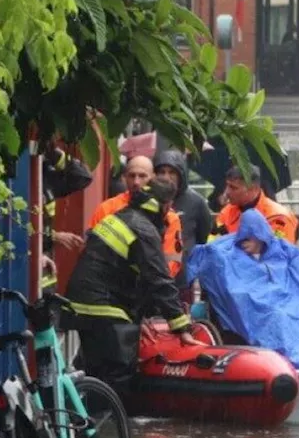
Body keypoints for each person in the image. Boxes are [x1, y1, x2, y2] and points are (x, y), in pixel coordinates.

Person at [65, 181, 199, 400]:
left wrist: (140, 316)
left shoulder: (120, 217)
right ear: (165, 206)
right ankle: (111, 428)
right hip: (104, 306)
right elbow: (159, 280)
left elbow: (131, 278)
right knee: (118, 373)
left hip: (83, 302)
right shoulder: (144, 229)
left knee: (95, 370)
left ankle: (87, 423)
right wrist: (181, 326)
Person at [186, 209, 299, 368]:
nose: (245, 243)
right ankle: (292, 357)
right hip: (267, 307)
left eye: (249, 238)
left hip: (288, 300)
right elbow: (234, 286)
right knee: (276, 317)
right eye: (243, 238)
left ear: (260, 236)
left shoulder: (284, 251)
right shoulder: (226, 253)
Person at [88, 155, 184, 278]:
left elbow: (170, 261)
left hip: (149, 285)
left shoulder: (169, 216)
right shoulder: (106, 208)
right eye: (132, 176)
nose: (136, 182)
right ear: (124, 178)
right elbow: (93, 250)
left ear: (153, 178)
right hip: (110, 283)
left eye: (142, 176)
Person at [153, 150, 213, 298]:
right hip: (152, 274)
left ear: (181, 175)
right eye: (161, 172)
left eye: (172, 172)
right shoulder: (148, 198)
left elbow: (202, 236)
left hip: (183, 279)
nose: (166, 177)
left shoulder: (197, 202)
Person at [40, 144, 94, 291]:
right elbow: (16, 228)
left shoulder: (46, 177)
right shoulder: (20, 179)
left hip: (46, 268)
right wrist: (53, 236)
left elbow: (82, 177)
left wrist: (52, 152)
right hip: (29, 267)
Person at [209, 165, 299, 243]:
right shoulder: (227, 211)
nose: (227, 192)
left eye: (233, 188)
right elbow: (212, 241)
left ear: (252, 189)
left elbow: (280, 256)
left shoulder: (278, 217)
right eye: (227, 186)